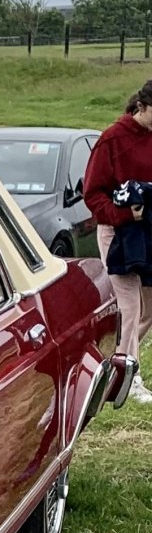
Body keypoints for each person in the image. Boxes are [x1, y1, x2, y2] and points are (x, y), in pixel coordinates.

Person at [86, 80, 152, 403]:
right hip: (118, 232)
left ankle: (115, 363)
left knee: (148, 306)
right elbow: (92, 194)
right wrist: (124, 215)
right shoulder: (112, 139)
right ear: (141, 107)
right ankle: (128, 379)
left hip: (147, 231)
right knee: (130, 304)